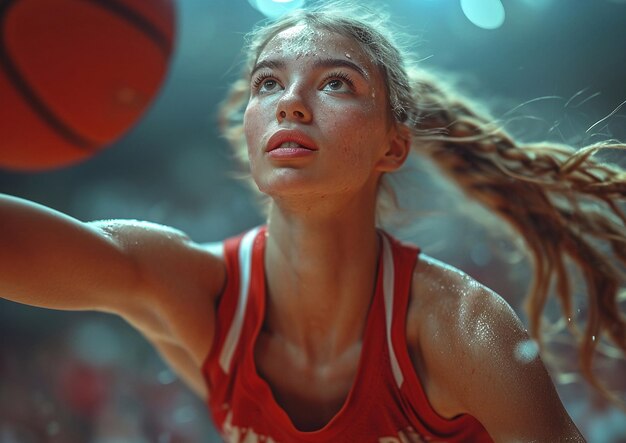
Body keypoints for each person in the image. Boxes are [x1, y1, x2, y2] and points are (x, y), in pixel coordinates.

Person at [1, 2, 625, 442]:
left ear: (393, 146)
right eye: (268, 82)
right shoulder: (187, 287)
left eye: (336, 83)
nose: (291, 101)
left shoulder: (463, 329)